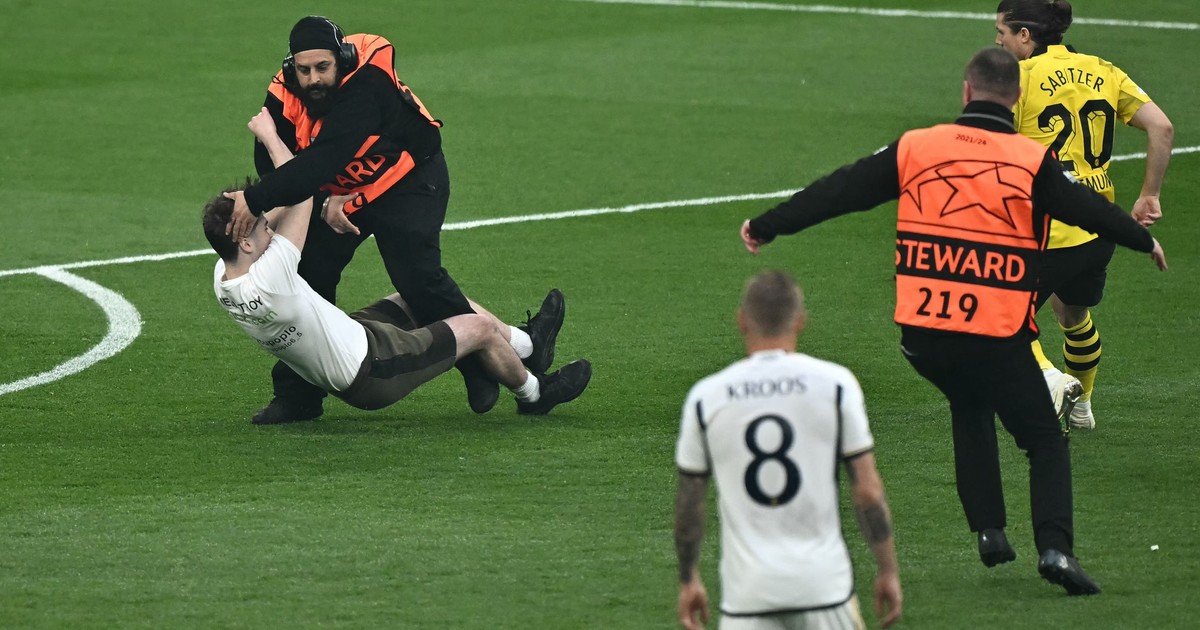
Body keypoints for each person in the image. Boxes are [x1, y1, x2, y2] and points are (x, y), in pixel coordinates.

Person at [741, 48, 1167, 595]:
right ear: (1016, 99)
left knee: (968, 402)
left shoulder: (917, 146)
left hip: (924, 335)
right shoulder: (1030, 160)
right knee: (1043, 439)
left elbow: (840, 190)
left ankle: (990, 531)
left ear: (966, 92)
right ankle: (1056, 550)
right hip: (994, 333)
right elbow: (1086, 208)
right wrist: (1141, 239)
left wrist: (768, 225)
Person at [223, 16, 552, 423]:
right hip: (342, 193)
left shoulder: (367, 83)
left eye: (322, 67)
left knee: (416, 277)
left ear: (343, 59)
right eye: (303, 70)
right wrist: (324, 199)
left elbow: (324, 157)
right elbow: (272, 163)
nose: (313, 80)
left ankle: (476, 362)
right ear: (292, 67)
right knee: (309, 272)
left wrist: (255, 199)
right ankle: (298, 397)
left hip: (407, 180)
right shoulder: (284, 91)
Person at [200, 110, 593, 419]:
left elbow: (278, 208)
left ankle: (528, 345)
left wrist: (255, 206)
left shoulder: (225, 277)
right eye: (262, 225)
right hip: (374, 370)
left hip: (353, 342)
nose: (269, 224)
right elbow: (298, 187)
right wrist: (270, 136)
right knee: (479, 329)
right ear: (246, 242)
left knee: (415, 296)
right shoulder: (272, 277)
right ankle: (534, 394)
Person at [674, 270, 901, 630]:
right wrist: (887, 569)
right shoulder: (835, 385)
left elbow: (690, 504)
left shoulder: (706, 398)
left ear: (742, 322)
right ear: (800, 321)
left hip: (748, 596)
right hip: (823, 587)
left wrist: (689, 579)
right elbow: (868, 492)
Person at [995, 0, 1175, 430]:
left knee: (1000, 317)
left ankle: (1054, 382)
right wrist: (1149, 195)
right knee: (1072, 315)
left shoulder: (1020, 78)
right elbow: (1162, 127)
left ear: (1025, 35)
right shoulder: (1103, 70)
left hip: (1045, 233)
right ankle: (1082, 406)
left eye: (1001, 31)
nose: (997, 41)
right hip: (1097, 229)